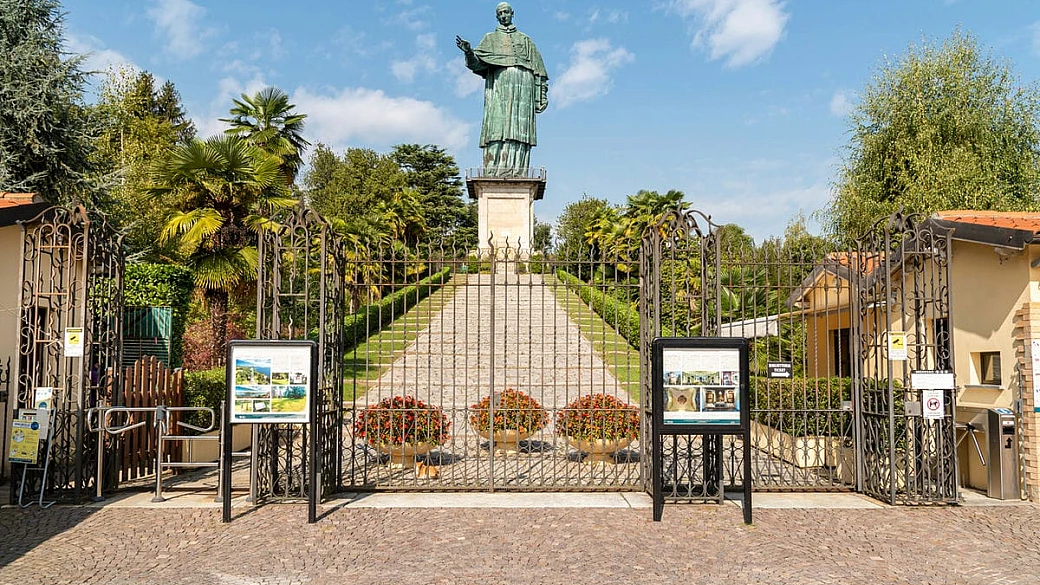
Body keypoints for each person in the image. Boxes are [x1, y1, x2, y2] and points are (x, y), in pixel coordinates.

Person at [457, 2, 548, 177]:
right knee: (497, 126)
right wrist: (468, 52)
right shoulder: (490, 39)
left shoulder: (525, 40)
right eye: (500, 13)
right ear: (497, 16)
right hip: (499, 86)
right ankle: (494, 169)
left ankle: (517, 169)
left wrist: (540, 95)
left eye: (507, 12)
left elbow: (539, 71)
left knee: (519, 129)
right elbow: (477, 63)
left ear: (512, 13)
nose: (504, 15)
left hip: (524, 88)